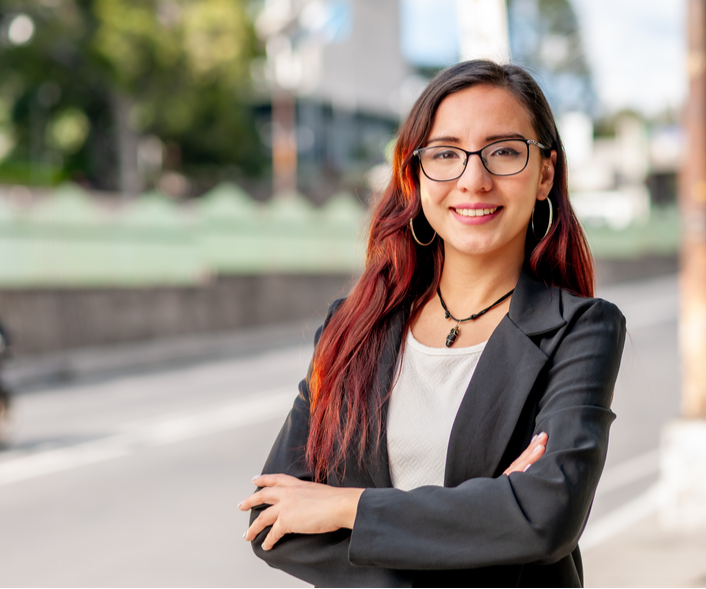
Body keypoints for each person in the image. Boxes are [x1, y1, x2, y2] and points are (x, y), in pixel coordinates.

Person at [239, 60, 627, 587]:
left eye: (505, 152)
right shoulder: (352, 328)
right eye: (446, 154)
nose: (474, 179)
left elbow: (544, 518)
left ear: (545, 175)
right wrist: (482, 518)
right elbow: (273, 519)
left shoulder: (580, 330)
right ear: (415, 176)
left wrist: (346, 506)